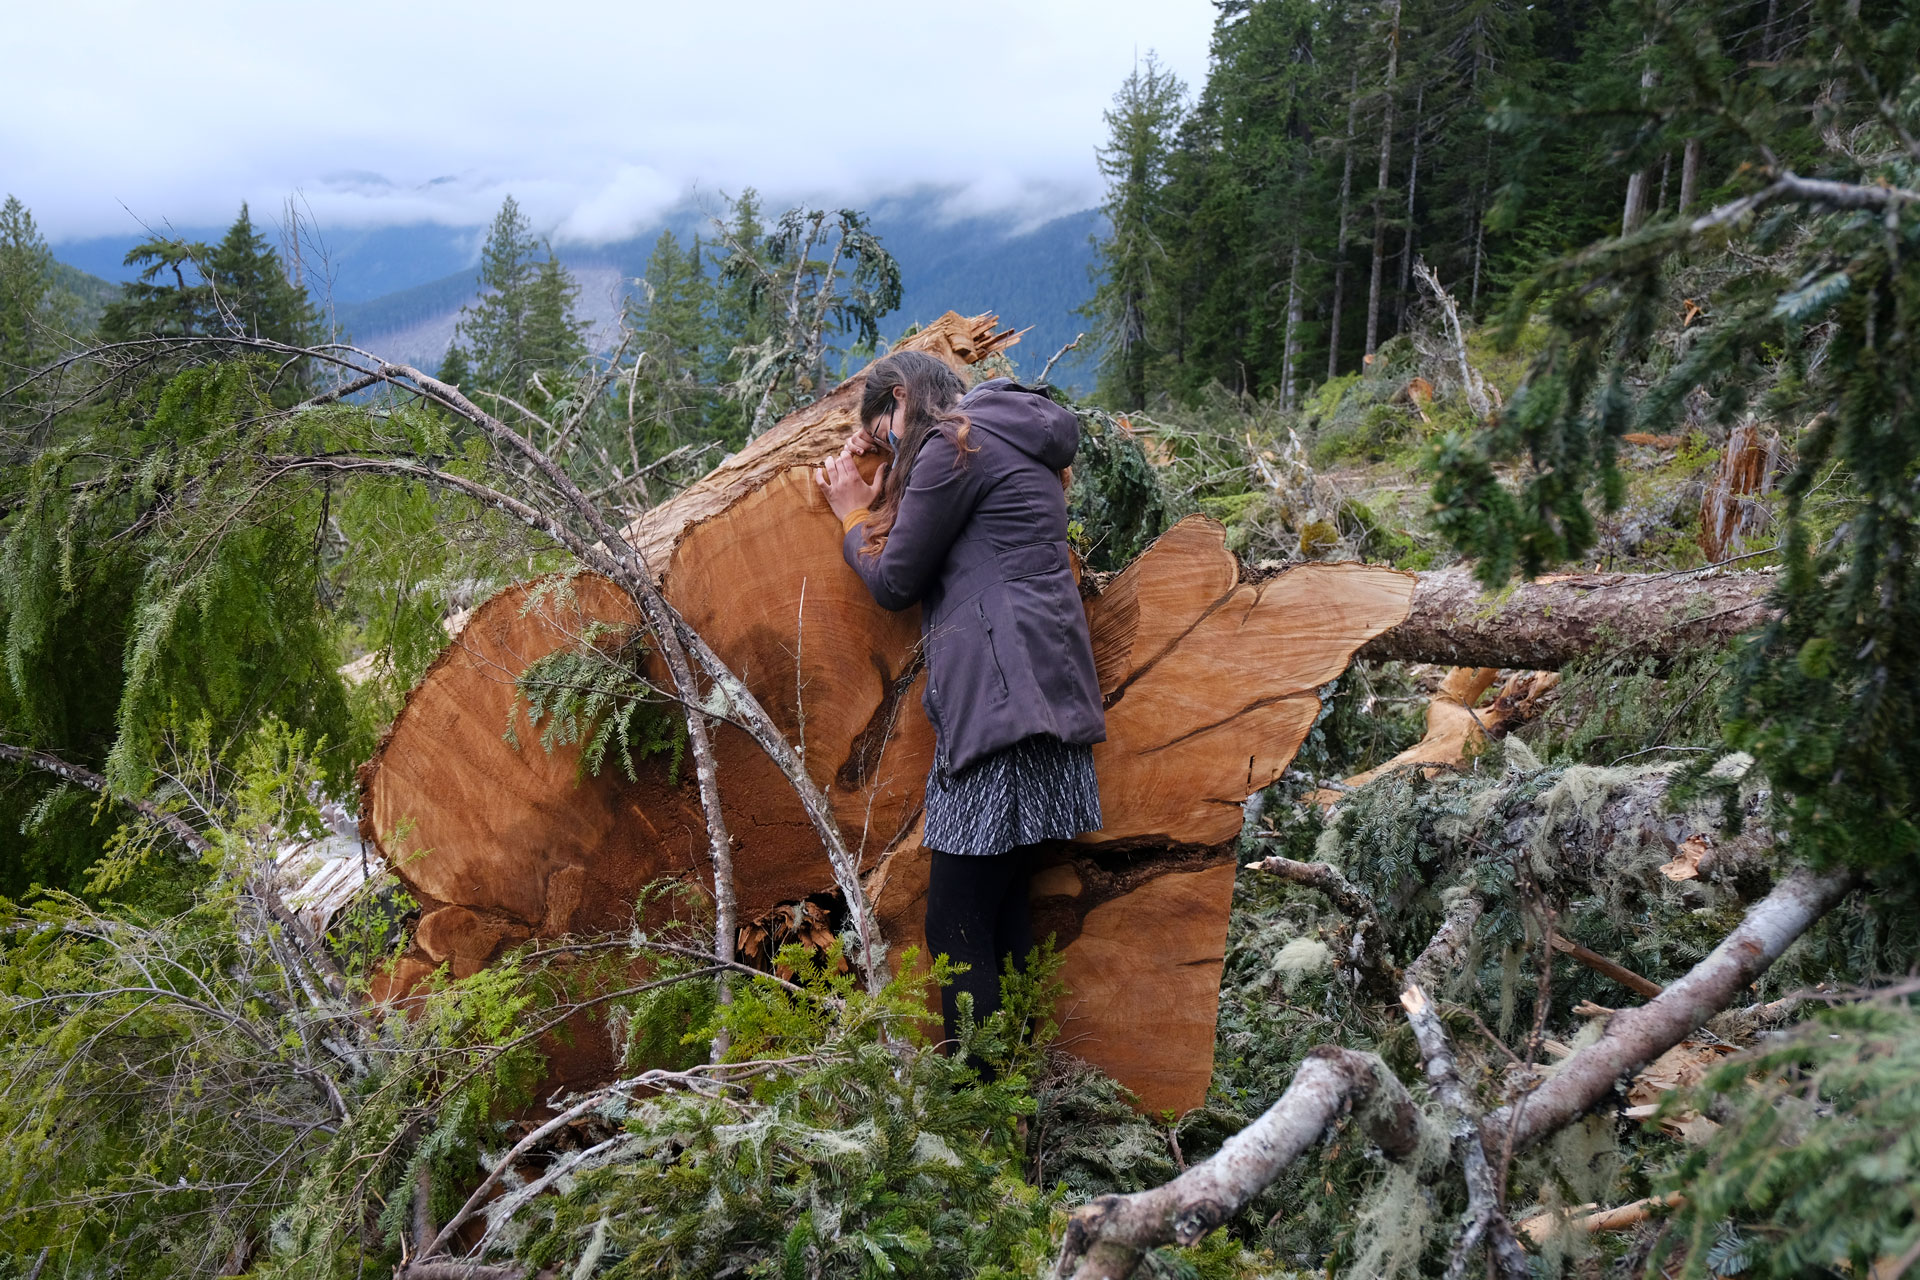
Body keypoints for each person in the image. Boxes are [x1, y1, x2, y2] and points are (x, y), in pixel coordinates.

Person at [814, 350, 1106, 1056]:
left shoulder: (953, 443)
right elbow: (942, 527)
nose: (887, 444)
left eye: (886, 425)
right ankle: (1009, 1098)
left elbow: (895, 578)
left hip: (1000, 705)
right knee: (1000, 909)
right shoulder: (1002, 434)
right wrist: (884, 467)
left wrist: (853, 511)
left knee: (955, 927)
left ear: (905, 396)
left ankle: (977, 1114)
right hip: (1044, 695)